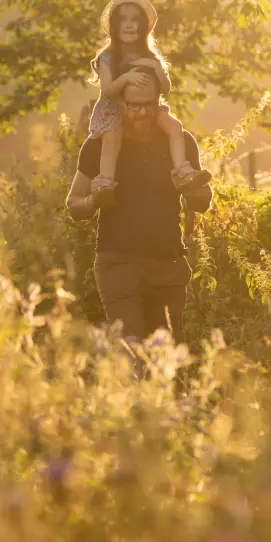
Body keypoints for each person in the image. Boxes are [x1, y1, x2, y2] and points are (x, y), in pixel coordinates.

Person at [66, 65, 213, 345]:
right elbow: (74, 205)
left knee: (163, 357)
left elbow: (203, 201)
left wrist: (189, 189)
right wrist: (95, 199)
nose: (141, 113)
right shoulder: (98, 145)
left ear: (160, 102)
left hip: (168, 265)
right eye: (133, 106)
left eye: (148, 105)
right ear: (121, 103)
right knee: (130, 347)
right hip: (118, 262)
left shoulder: (180, 141)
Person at [88, 0, 210, 206]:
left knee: (174, 126)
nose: (129, 25)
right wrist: (126, 78)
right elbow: (108, 90)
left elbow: (165, 88)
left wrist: (157, 68)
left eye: (135, 20)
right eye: (123, 20)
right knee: (112, 138)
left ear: (143, 27)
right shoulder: (106, 58)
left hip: (148, 107)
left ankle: (183, 172)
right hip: (114, 108)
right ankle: (105, 185)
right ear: (114, 27)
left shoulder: (149, 56)